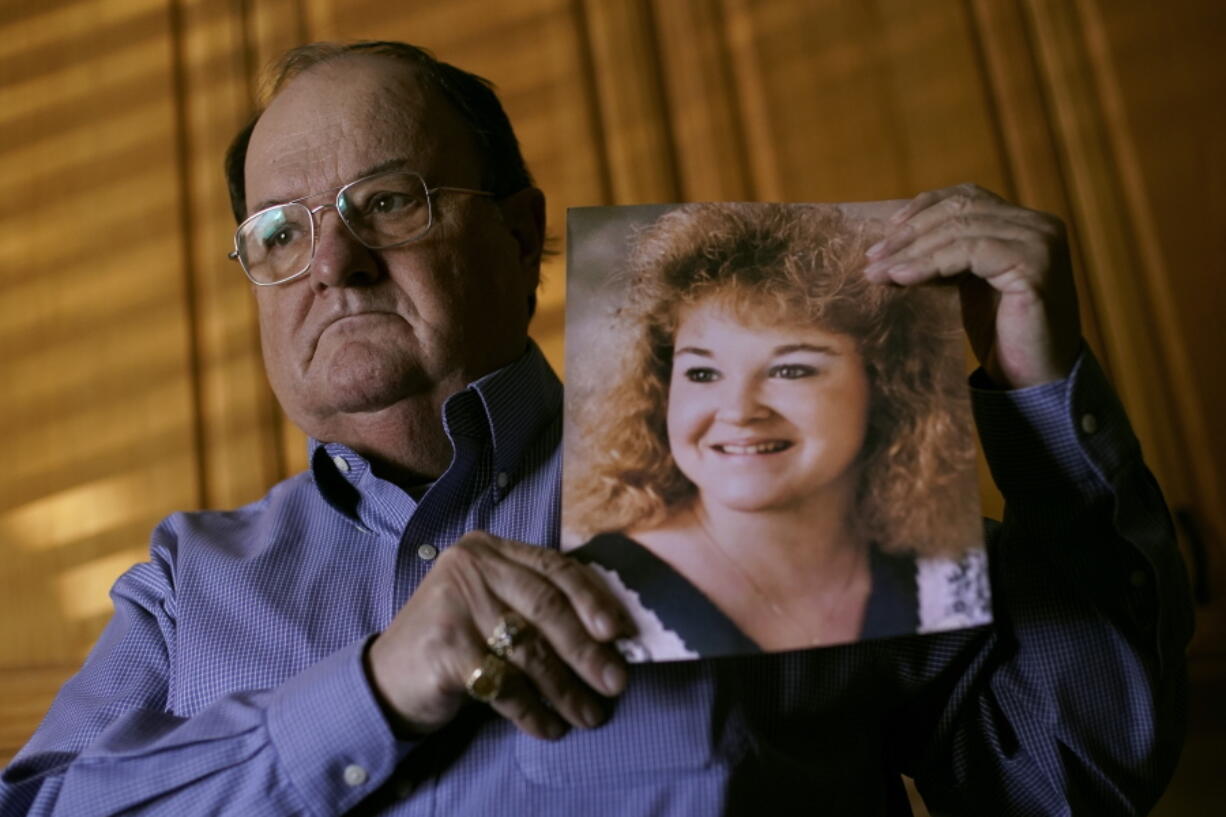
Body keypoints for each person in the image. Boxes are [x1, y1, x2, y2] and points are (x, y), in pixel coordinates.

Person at [0, 40, 1191, 815]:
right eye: (278, 230)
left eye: (389, 201)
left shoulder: (763, 456)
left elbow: (1068, 776)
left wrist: (1042, 404)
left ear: (521, 238)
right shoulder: (184, 583)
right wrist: (373, 686)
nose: (336, 260)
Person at [565, 202, 990, 660]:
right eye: (703, 374)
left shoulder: (951, 575)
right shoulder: (587, 597)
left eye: (790, 370)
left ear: (884, 381)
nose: (739, 411)